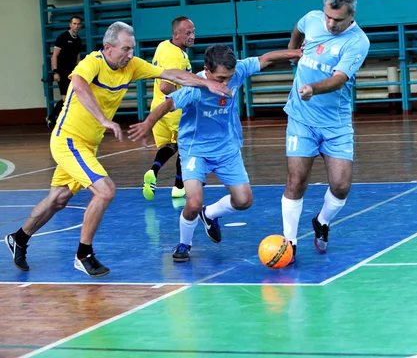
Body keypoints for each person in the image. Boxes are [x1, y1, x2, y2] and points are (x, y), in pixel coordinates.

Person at [4, 21, 230, 277]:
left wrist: (206, 83)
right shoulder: (92, 63)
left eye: (132, 49)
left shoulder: (131, 66)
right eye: (125, 49)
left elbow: (172, 74)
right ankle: (83, 254)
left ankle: (19, 238)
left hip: (88, 145)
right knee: (105, 191)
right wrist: (103, 119)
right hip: (68, 140)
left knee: (58, 199)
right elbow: (77, 85)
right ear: (108, 47)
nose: (130, 54)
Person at [129, 44, 302, 262]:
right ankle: (185, 244)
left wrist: (297, 54)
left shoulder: (237, 71)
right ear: (207, 71)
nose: (225, 83)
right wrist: (148, 122)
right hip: (195, 150)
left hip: (226, 149)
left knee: (244, 201)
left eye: (229, 77)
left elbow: (267, 57)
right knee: (192, 203)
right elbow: (169, 104)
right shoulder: (194, 87)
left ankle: (210, 214)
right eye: (220, 79)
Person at [281, 0, 370, 262]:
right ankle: (290, 242)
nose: (331, 23)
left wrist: (312, 89)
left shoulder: (358, 42)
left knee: (341, 185)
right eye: (328, 17)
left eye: (338, 20)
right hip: (301, 118)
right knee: (296, 180)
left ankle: (322, 221)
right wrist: (292, 50)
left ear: (351, 15)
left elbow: (339, 79)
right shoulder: (312, 19)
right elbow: (298, 27)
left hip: (336, 123)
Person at [142, 16, 194, 201]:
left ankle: (153, 171)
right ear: (176, 34)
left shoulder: (163, 46)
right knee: (185, 147)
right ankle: (179, 187)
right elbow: (165, 86)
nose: (192, 36)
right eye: (188, 33)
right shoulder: (177, 56)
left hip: (158, 107)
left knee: (169, 145)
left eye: (193, 31)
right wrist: (184, 97)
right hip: (174, 110)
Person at [47, 16, 84, 129]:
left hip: (72, 73)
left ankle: (55, 117)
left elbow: (78, 59)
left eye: (78, 24)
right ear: (70, 24)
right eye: (74, 23)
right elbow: (55, 55)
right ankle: (52, 117)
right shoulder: (62, 37)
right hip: (62, 72)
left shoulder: (78, 40)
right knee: (65, 98)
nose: (76, 26)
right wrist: (55, 71)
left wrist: (79, 72)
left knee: (71, 97)